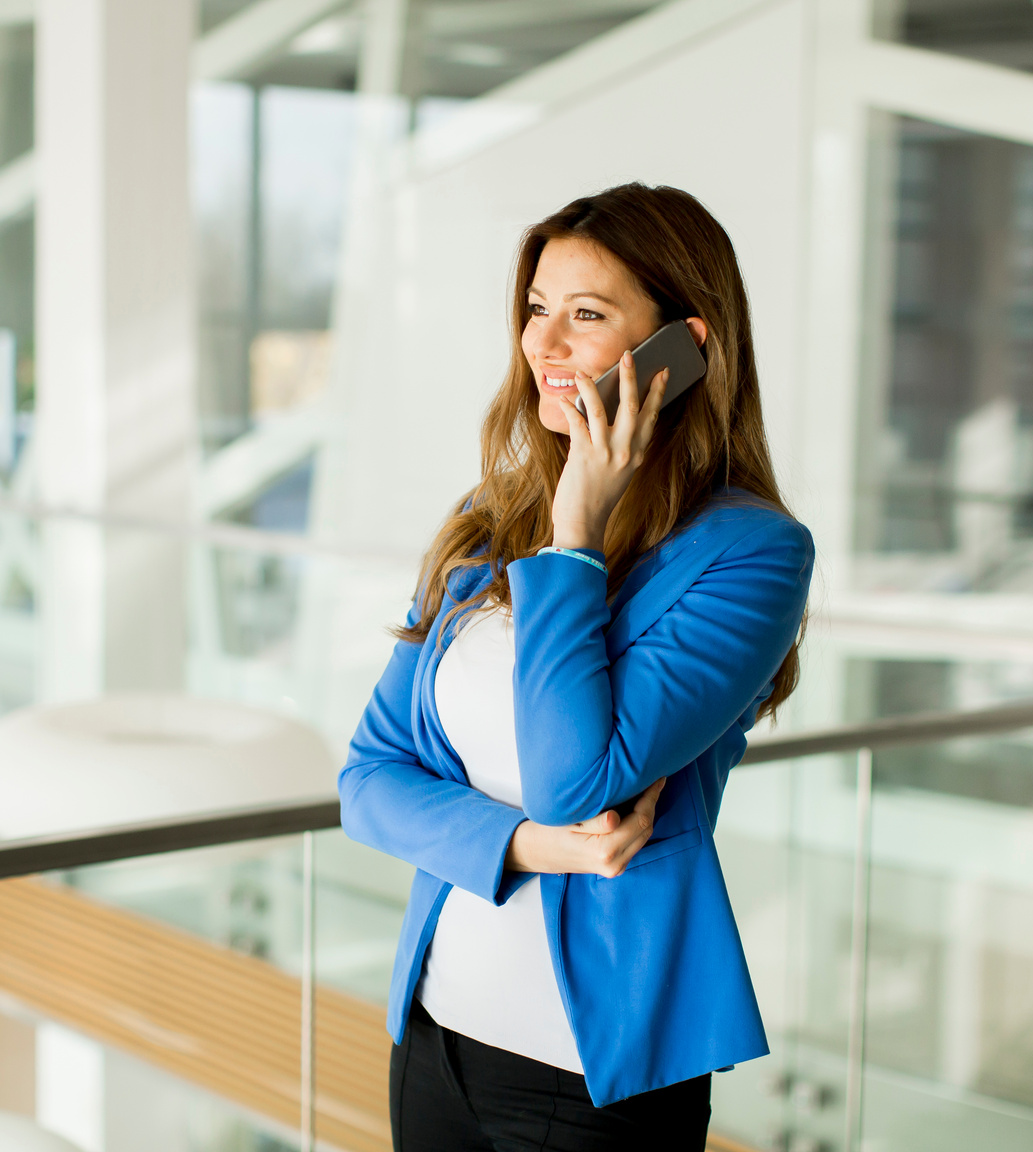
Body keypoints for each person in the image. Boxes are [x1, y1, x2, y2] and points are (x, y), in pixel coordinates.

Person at [338, 183, 813, 1151]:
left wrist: (577, 537)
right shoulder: (488, 523)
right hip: (434, 1034)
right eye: (536, 309)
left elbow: (574, 778)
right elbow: (366, 783)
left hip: (590, 1081)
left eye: (586, 316)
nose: (542, 345)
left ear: (683, 347)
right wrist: (534, 850)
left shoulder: (751, 553)